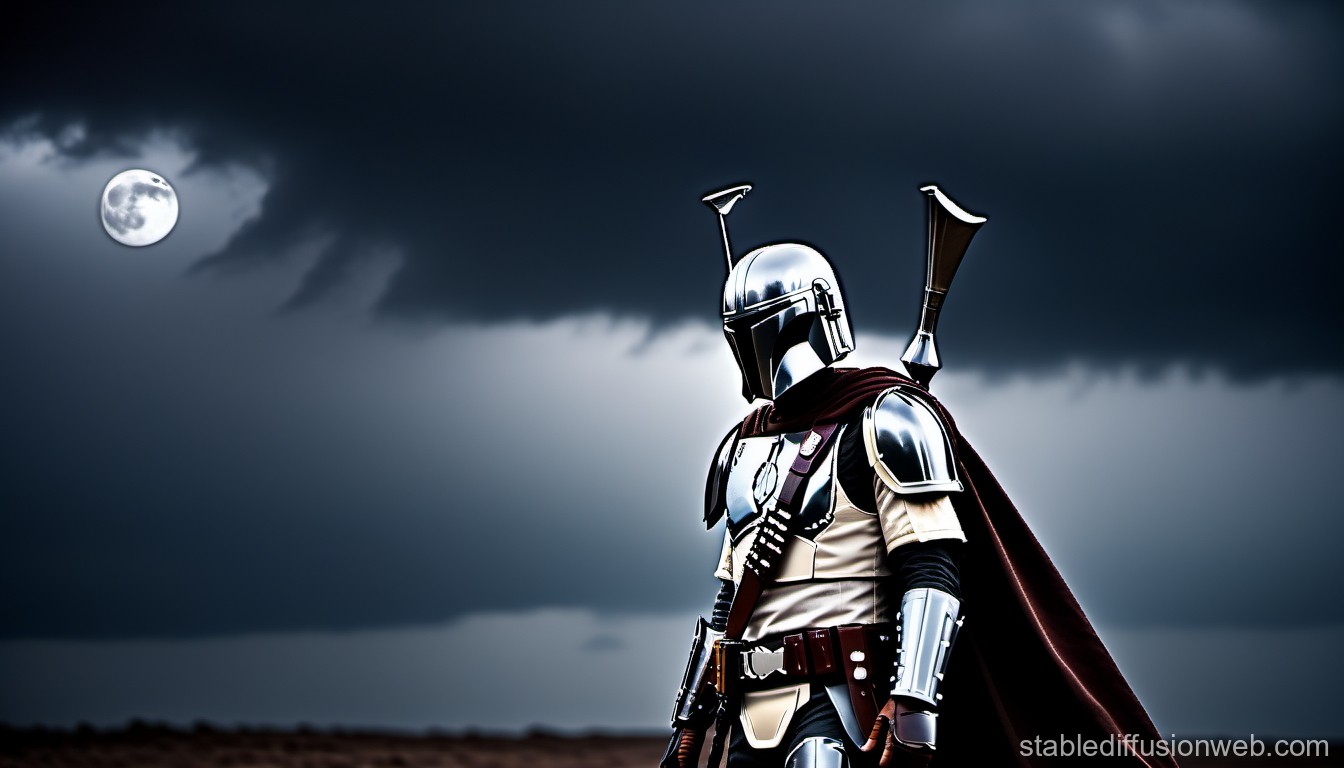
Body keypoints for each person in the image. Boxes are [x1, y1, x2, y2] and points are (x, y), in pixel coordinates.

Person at [662, 186, 1177, 768]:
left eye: (752, 330)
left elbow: (931, 568)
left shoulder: (886, 418)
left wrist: (913, 702)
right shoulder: (745, 444)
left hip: (841, 704)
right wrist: (690, 717)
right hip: (749, 710)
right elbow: (731, 597)